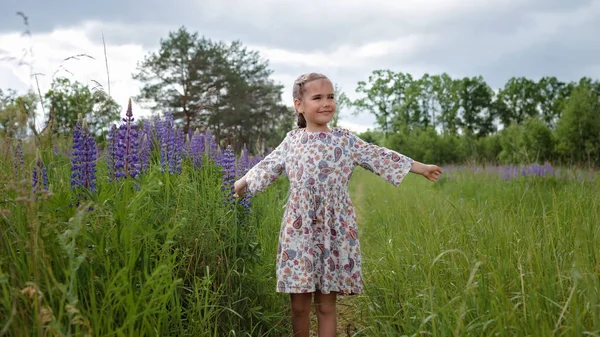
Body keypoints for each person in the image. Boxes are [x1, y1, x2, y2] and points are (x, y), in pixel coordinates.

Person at [233, 72, 442, 337]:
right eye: (317, 97)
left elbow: (378, 156)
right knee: (298, 306)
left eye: (330, 97)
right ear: (299, 105)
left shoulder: (345, 140)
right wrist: (240, 184)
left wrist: (421, 168)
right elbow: (267, 166)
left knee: (326, 306)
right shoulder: (292, 141)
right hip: (300, 230)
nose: (326, 103)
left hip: (334, 230)